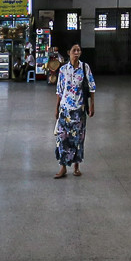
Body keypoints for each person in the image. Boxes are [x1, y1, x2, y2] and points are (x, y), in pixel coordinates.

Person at [52, 43, 96, 178]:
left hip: (79, 109)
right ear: (68, 52)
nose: (76, 52)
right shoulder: (63, 70)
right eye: (74, 50)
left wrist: (92, 105)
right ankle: (63, 167)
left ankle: (76, 167)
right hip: (65, 109)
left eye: (78, 50)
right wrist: (57, 107)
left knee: (78, 138)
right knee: (62, 138)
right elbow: (59, 90)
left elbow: (91, 87)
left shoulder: (85, 67)